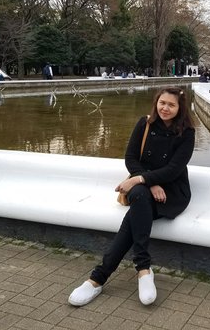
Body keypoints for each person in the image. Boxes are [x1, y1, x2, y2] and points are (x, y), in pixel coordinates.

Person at [68, 87, 195, 307]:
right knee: (139, 198)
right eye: (161, 103)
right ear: (156, 102)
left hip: (172, 192)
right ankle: (143, 269)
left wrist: (138, 180)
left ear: (180, 108)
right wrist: (150, 182)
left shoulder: (187, 132)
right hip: (146, 189)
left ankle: (97, 278)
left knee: (133, 211)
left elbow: (174, 169)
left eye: (171, 105)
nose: (165, 108)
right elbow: (130, 158)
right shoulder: (144, 124)